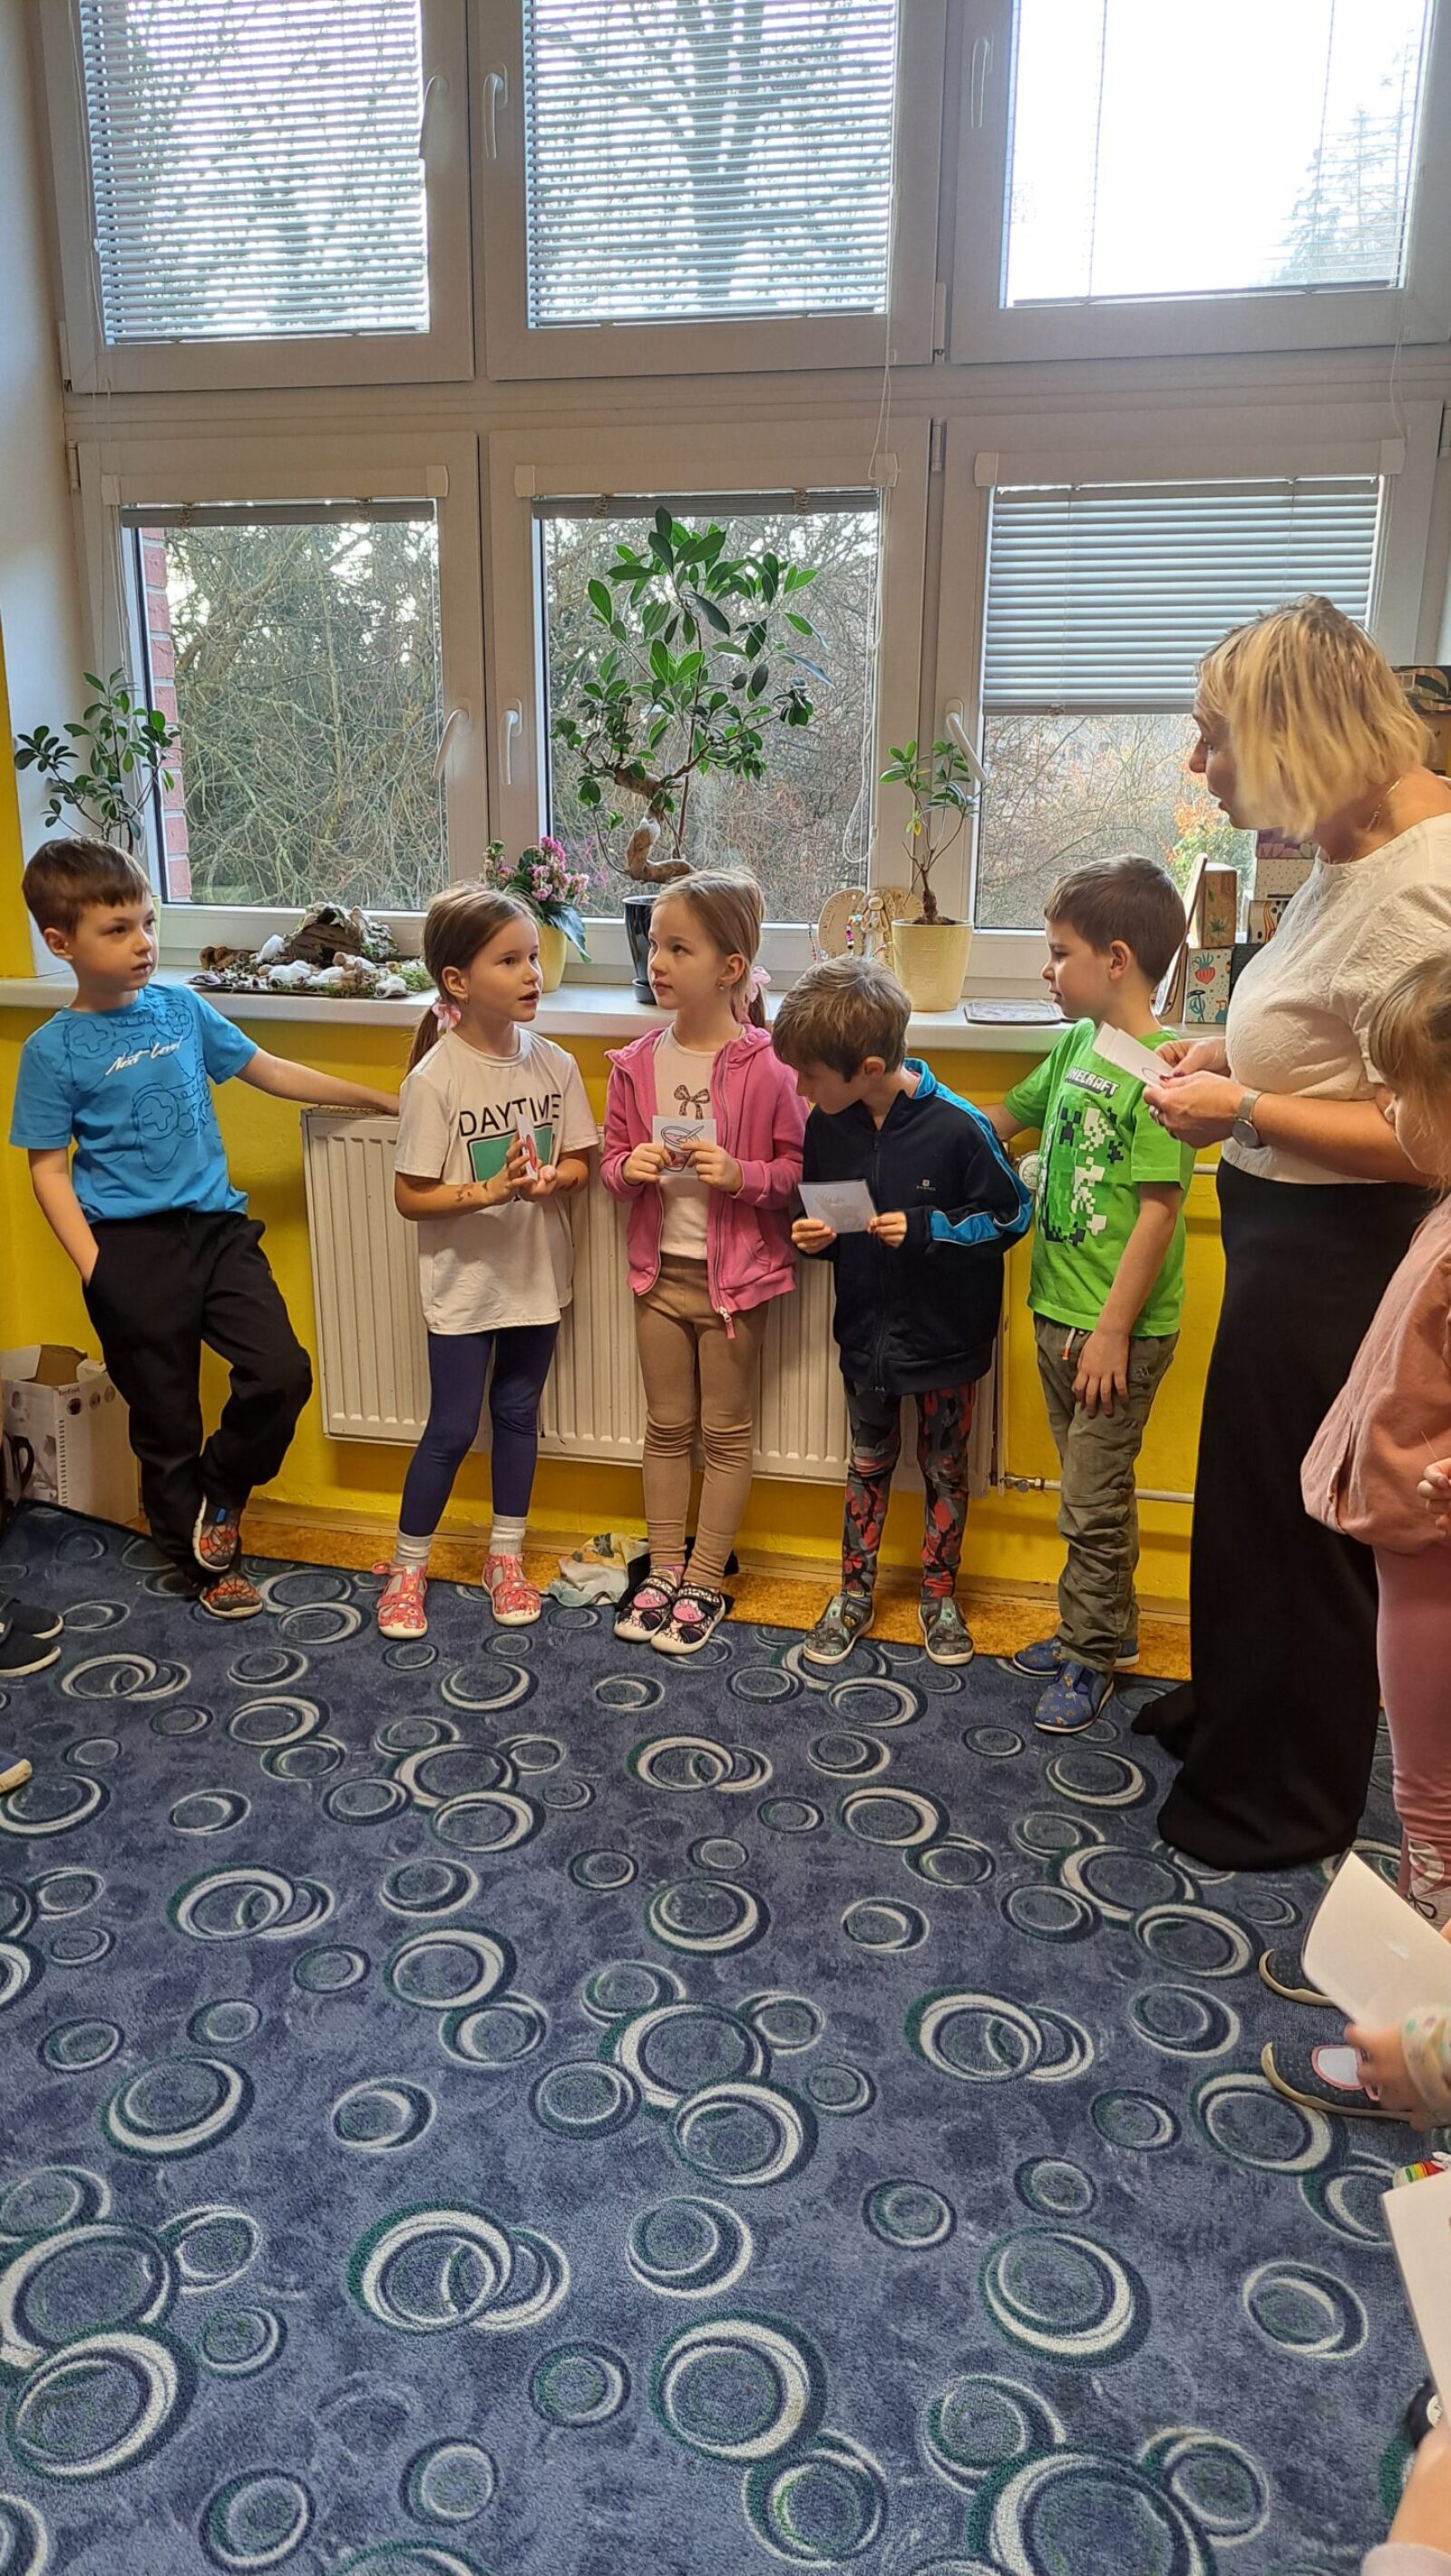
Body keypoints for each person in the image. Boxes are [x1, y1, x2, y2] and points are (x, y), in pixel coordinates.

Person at [1142, 599, 1451, 1870]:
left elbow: (1431, 1134)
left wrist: (1247, 1107)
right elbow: (1335, 1039)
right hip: (1289, 1235)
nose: (1199, 763)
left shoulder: (1428, 886)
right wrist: (1230, 1055)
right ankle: (1236, 1716)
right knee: (1253, 1501)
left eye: (1214, 737)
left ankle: (1280, 1798)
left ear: (1290, 734)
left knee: (1305, 1528)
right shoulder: (1346, 848)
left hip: (1348, 1253)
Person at [10, 837, 397, 1617]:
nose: (143, 943)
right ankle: (204, 1567)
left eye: (148, 923)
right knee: (166, 1421)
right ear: (61, 942)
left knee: (281, 1372)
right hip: (128, 1251)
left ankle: (221, 1490)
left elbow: (269, 1069)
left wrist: (381, 1098)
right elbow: (47, 1170)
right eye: (117, 929)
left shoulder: (182, 1009)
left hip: (218, 1232)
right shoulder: (51, 1052)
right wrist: (95, 1268)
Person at [773, 955, 1031, 1666]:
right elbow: (826, 1214)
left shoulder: (960, 1128)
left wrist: (929, 1228)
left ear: (866, 1067)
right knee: (866, 1464)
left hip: (947, 1341)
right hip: (866, 1338)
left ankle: (939, 1596)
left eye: (810, 1076)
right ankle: (853, 1593)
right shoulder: (828, 1124)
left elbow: (1011, 1216)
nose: (801, 1089)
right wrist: (814, 1238)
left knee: (946, 1469)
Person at [986, 855, 1193, 1732]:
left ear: (1116, 959)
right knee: (1093, 1489)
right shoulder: (1078, 1046)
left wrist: (1111, 1332)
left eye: (1059, 952)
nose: (1047, 969)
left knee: (1089, 1504)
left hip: (1116, 1333)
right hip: (1057, 1313)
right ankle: (1110, 1628)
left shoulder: (1165, 1072)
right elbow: (1002, 1120)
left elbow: (1158, 1215)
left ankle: (1088, 1654)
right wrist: (915, 1110)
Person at [379, 885, 597, 1639]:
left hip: (537, 1277)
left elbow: (580, 1162)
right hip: (465, 1286)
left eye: (533, 956)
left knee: (517, 1415)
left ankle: (505, 1558)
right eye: (510, 961)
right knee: (449, 1428)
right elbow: (411, 1196)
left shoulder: (556, 1064)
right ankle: (407, 1568)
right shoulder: (435, 1079)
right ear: (458, 981)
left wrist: (552, 1181)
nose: (532, 973)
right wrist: (490, 1191)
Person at [602, 871, 804, 1657]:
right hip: (659, 1279)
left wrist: (742, 1176)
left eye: (678, 949)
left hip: (735, 1285)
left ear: (730, 969)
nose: (657, 962)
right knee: (664, 1427)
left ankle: (705, 1579)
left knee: (723, 1433)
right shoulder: (634, 1063)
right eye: (654, 945)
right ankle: (662, 1570)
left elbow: (795, 1173)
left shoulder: (771, 1067)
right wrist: (630, 1167)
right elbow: (613, 1163)